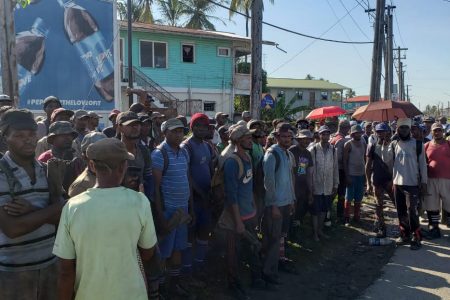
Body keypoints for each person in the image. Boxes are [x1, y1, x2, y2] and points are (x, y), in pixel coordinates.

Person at [53, 138, 157, 300]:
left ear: (92, 166)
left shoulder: (72, 206)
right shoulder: (139, 201)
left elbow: (66, 270)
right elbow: (148, 252)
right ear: (124, 166)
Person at [0, 109, 64, 300]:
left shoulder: (46, 170)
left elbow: (63, 219)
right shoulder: (2, 174)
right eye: (19, 135)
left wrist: (32, 210)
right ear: (5, 139)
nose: (27, 140)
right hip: (14, 274)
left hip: (50, 266)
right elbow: (12, 228)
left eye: (31, 134)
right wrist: (54, 209)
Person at [152, 118, 194, 298]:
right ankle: (160, 289)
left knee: (177, 250)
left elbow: (187, 180)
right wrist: (161, 217)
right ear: (164, 133)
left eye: (180, 131)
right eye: (174, 131)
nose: (178, 134)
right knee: (163, 254)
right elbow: (155, 189)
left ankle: (173, 287)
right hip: (168, 211)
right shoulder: (159, 154)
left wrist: (190, 208)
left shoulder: (184, 152)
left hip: (182, 210)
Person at [223, 125, 265, 299]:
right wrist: (238, 221)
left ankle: (257, 279)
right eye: (247, 138)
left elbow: (248, 187)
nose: (251, 140)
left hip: (249, 214)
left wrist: (254, 208)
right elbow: (231, 195)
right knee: (234, 254)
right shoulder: (232, 162)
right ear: (239, 141)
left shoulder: (247, 157)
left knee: (252, 248)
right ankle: (233, 285)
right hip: (236, 218)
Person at [262, 122, 296, 284]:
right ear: (277, 137)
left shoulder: (288, 154)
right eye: (284, 136)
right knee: (273, 239)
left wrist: (292, 200)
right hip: (275, 205)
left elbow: (290, 179)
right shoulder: (271, 154)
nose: (287, 139)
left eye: (289, 136)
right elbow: (268, 183)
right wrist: (274, 205)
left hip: (286, 202)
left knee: (281, 237)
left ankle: (275, 267)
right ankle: (268, 273)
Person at [181, 113, 214, 280]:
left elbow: (210, 169)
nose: (201, 129)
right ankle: (187, 271)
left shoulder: (207, 146)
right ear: (191, 127)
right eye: (198, 126)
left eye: (204, 126)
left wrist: (212, 190)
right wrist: (200, 193)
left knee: (203, 233)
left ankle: (199, 266)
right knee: (189, 236)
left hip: (206, 198)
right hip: (192, 200)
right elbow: (187, 176)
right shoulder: (186, 146)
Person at [391, 118, 428, 250]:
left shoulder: (418, 144)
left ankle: (416, 236)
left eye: (406, 128)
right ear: (397, 129)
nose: (404, 130)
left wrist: (424, 182)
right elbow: (391, 163)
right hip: (397, 183)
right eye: (401, 128)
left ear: (410, 129)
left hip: (412, 183)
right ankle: (404, 234)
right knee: (401, 211)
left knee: (412, 211)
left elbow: (423, 164)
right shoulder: (394, 144)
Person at [310, 126, 339, 241]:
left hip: (328, 185)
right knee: (315, 211)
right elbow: (309, 169)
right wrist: (310, 185)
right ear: (319, 135)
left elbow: (335, 168)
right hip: (316, 186)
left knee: (323, 210)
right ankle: (315, 233)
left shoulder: (333, 150)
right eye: (323, 134)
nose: (325, 136)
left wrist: (336, 184)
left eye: (327, 134)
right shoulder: (313, 149)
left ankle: (319, 231)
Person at [365, 123, 394, 238]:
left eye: (383, 131)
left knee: (398, 204)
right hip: (377, 181)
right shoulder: (372, 146)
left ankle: (405, 229)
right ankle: (382, 228)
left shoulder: (394, 145)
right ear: (375, 133)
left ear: (388, 132)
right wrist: (368, 183)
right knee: (378, 205)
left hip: (391, 180)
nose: (381, 134)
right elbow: (367, 166)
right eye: (379, 132)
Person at [38, 121, 84, 192]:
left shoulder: (76, 157)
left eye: (70, 135)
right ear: (52, 138)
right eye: (63, 135)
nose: (68, 138)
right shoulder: (45, 158)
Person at [116, 111, 152, 199]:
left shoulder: (144, 151)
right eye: (130, 124)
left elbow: (149, 178)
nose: (135, 127)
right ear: (120, 127)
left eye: (137, 124)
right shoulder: (113, 152)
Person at [423, 123, 450, 238]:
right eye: (435, 130)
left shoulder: (449, 144)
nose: (437, 132)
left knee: (449, 204)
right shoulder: (426, 145)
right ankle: (434, 228)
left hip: (447, 180)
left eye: (439, 130)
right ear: (432, 132)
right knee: (432, 205)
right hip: (431, 179)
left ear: (443, 131)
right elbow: (422, 163)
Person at [288, 129, 314, 239]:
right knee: (290, 212)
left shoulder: (307, 153)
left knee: (299, 210)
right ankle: (287, 235)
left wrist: (310, 190)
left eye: (308, 139)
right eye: (304, 139)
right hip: (290, 186)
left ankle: (294, 232)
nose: (306, 141)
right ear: (299, 139)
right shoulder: (292, 150)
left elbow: (304, 172)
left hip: (301, 186)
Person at [68, 132, 107, 198]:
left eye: (104, 151)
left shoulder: (111, 177)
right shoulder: (80, 186)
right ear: (84, 156)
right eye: (95, 151)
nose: (101, 155)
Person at [343, 125, 367, 226]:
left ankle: (357, 216)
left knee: (359, 197)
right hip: (351, 174)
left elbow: (365, 158)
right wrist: (347, 175)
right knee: (349, 197)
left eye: (360, 132)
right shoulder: (348, 144)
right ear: (352, 134)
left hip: (361, 174)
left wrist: (366, 174)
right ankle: (346, 218)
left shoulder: (363, 142)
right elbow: (344, 161)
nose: (359, 134)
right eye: (357, 132)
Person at [330, 120, 351, 223]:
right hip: (340, 170)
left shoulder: (333, 137)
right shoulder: (341, 140)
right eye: (348, 128)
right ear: (345, 128)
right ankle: (339, 216)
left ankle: (328, 215)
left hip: (333, 170)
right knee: (340, 194)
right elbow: (338, 158)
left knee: (333, 193)